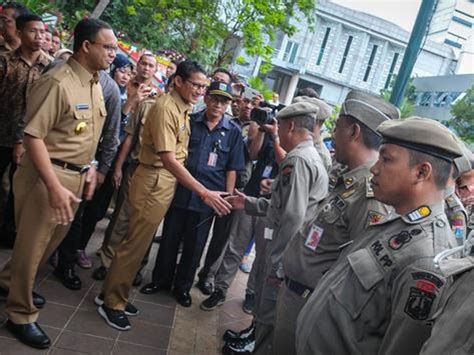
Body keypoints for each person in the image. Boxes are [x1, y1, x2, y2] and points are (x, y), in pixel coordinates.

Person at [296, 117, 463, 354]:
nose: (374, 168)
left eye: (386, 159)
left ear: (421, 172)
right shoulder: (397, 221)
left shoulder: (426, 259)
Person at [0, 18, 116, 349]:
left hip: (76, 176)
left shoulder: (94, 82)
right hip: (47, 176)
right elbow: (33, 136)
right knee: (32, 245)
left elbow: (84, 133)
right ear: (86, 46)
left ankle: (10, 281)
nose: (113, 53)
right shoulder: (58, 81)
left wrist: (92, 167)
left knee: (49, 242)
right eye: (108, 47)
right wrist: (53, 185)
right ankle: (20, 313)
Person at [96, 60, 231, 331]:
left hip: (163, 182)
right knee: (134, 244)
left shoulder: (182, 108)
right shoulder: (165, 108)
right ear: (178, 81)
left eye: (202, 86)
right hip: (153, 181)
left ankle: (112, 294)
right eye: (195, 84)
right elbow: (169, 159)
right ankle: (112, 303)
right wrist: (204, 192)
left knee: (138, 243)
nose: (198, 91)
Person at [272, 90, 400, 355]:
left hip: (310, 302)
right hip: (297, 293)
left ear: (353, 132)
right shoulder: (346, 177)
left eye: (337, 127)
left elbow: (355, 270)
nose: (331, 134)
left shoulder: (369, 193)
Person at [223, 98, 329, 354]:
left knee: (270, 313)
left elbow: (293, 216)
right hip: (288, 251)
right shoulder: (307, 156)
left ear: (290, 126)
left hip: (285, 252)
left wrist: (279, 261)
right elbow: (281, 206)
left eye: (280, 127)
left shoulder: (298, 160)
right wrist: (247, 202)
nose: (277, 133)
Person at [140, 81, 245, 307]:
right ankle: (161, 280)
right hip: (181, 191)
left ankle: (182, 287)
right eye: (215, 99)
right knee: (169, 238)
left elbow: (232, 168)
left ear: (229, 104)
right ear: (206, 99)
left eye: (224, 101)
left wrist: (225, 200)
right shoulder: (190, 121)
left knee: (194, 246)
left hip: (209, 200)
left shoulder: (233, 132)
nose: (218, 105)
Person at [0, 13, 51, 248]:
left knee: (19, 192)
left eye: (43, 31)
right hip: (2, 135)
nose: (39, 36)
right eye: (33, 31)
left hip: (32, 143)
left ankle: (10, 235)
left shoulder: (50, 67)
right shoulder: (5, 62)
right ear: (19, 34)